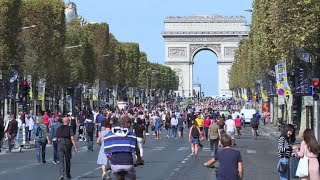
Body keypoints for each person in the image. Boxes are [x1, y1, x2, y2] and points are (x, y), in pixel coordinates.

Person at [104, 115, 143, 180]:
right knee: (132, 177)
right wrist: (139, 159)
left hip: (115, 164)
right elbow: (137, 151)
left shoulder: (109, 135)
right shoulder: (131, 135)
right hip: (128, 163)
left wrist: (112, 159)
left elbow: (107, 154)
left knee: (117, 174)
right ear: (128, 124)